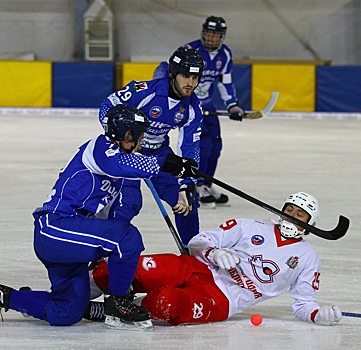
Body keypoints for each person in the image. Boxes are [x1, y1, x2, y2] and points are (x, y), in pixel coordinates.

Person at [0, 105, 199, 330]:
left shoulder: (122, 172)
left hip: (72, 241)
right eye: (139, 136)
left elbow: (123, 210)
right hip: (54, 228)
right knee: (127, 239)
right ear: (127, 134)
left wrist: (176, 178)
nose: (142, 143)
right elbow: (122, 164)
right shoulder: (100, 148)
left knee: (67, 312)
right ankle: (117, 305)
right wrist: (170, 163)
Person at [87, 192, 343, 326]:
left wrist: (317, 315)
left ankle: (113, 309)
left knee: (166, 303)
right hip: (197, 267)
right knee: (119, 269)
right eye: (289, 210)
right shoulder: (248, 225)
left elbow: (303, 304)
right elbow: (199, 241)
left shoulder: (308, 257)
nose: (292, 216)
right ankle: (74, 296)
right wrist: (213, 252)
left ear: (311, 224)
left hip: (223, 299)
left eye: (300, 214)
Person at [99, 46, 205, 246]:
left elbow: (190, 146)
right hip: (127, 153)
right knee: (127, 203)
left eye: (195, 77)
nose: (190, 83)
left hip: (158, 153)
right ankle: (103, 250)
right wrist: (122, 139)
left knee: (188, 200)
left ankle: (192, 255)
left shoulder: (193, 108)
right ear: (173, 73)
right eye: (185, 76)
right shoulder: (145, 91)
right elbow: (107, 106)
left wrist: (185, 182)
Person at [154, 16, 244, 209]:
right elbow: (169, 74)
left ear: (222, 37)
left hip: (208, 106)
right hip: (192, 106)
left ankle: (207, 184)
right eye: (209, 34)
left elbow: (225, 82)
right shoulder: (190, 51)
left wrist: (232, 105)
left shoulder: (225, 55)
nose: (211, 38)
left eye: (216, 35)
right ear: (203, 34)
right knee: (203, 145)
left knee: (216, 145)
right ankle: (197, 185)